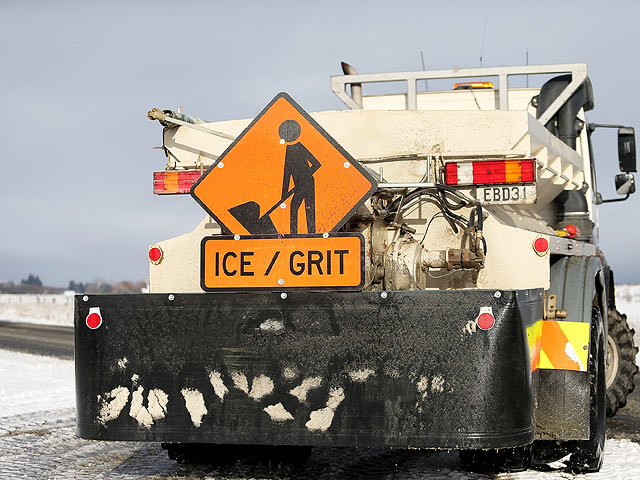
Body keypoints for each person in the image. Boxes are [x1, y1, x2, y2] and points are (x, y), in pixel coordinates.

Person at [279, 120, 321, 233]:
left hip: (308, 183)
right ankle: (294, 235)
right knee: (293, 207)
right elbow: (287, 173)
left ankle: (312, 234)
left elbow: (317, 164)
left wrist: (305, 176)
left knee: (309, 208)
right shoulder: (288, 150)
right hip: (299, 185)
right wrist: (283, 194)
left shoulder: (300, 147)